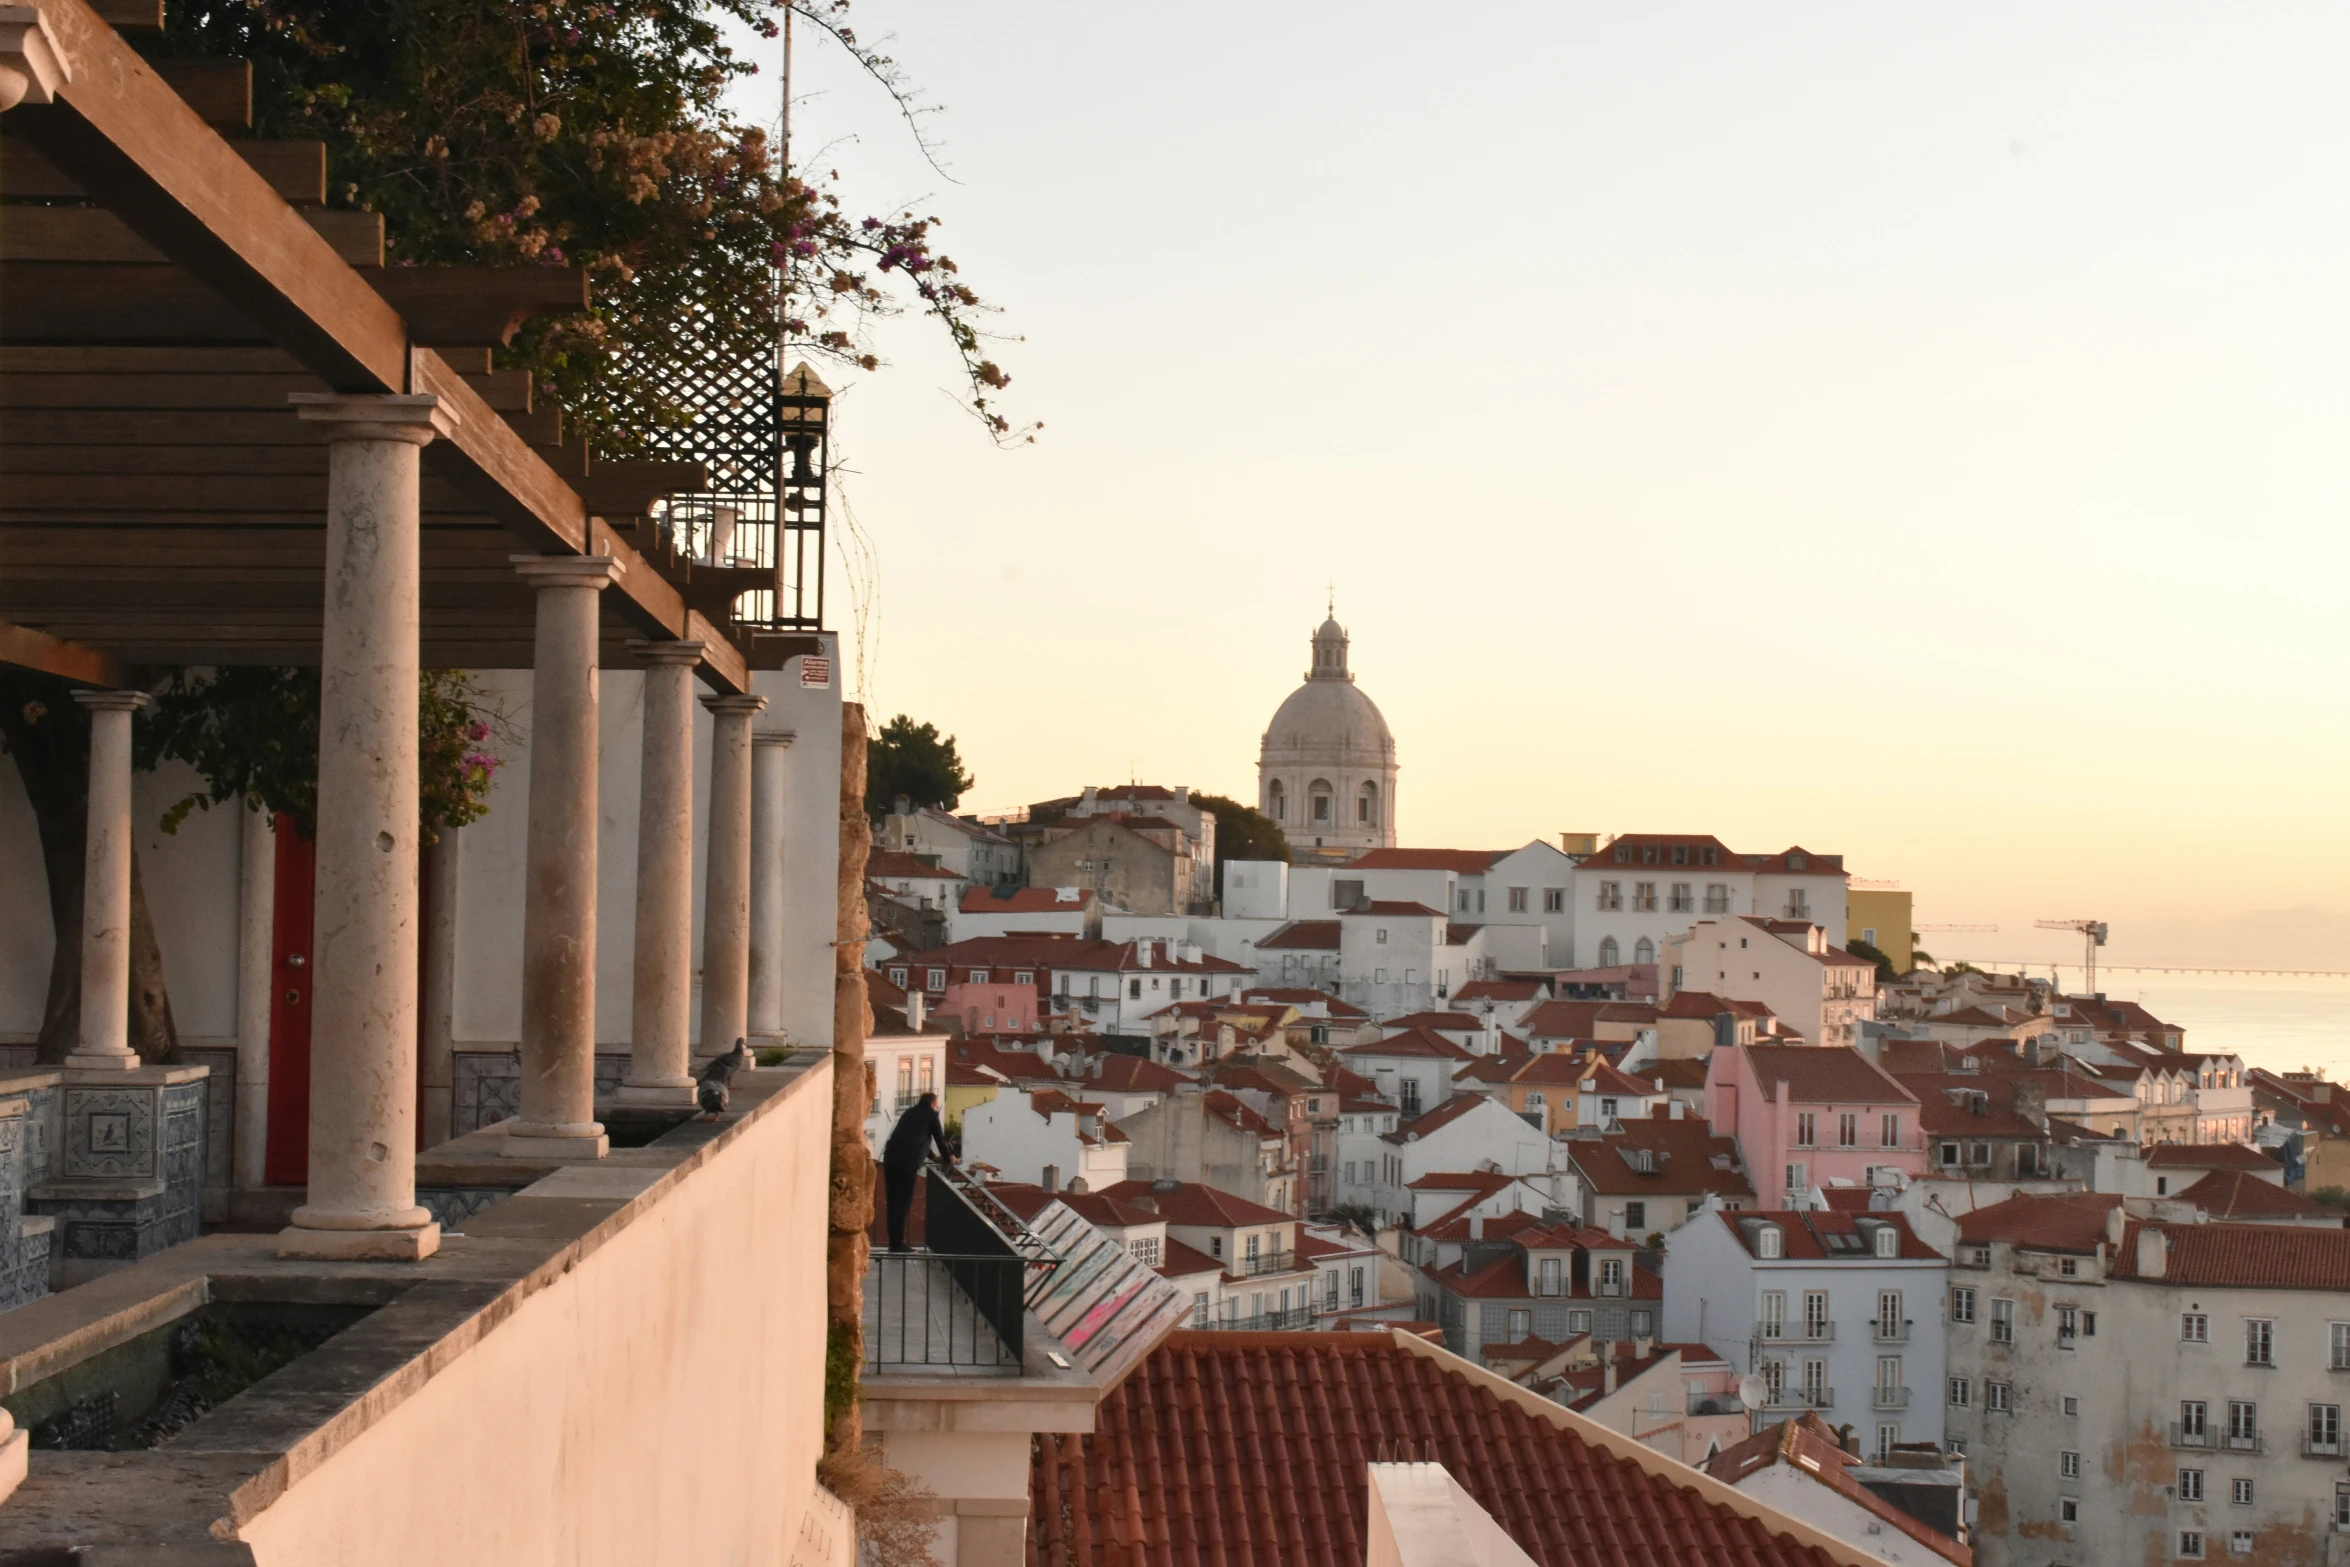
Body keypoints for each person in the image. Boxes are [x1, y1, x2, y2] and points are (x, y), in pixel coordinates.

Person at [881, 1091, 949, 1252]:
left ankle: (893, 1242)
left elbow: (919, 1138)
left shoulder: (909, 1113)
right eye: (937, 1105)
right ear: (933, 1104)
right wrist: (948, 1157)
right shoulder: (931, 1115)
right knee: (903, 1202)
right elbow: (939, 1138)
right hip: (907, 1161)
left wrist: (933, 1157)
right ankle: (898, 1244)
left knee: (892, 1202)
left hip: (891, 1158)